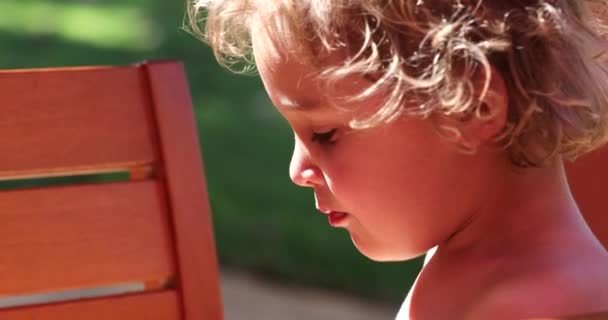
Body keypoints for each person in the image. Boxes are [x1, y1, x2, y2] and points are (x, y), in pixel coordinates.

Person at [189, 0, 608, 319]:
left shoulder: (557, 307)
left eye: (324, 134)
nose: (297, 171)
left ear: (470, 105)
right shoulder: (464, 263)